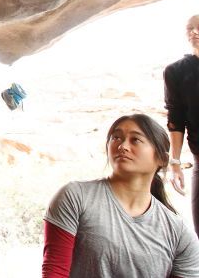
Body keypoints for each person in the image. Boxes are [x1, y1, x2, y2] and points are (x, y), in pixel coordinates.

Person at [42, 113, 199, 278]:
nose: (122, 146)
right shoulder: (75, 196)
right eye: (116, 138)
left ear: (161, 159)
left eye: (135, 140)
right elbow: (55, 271)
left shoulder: (179, 232)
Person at [165, 14, 199, 235]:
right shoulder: (176, 72)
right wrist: (175, 161)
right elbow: (175, 120)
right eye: (190, 28)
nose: (194, 32)